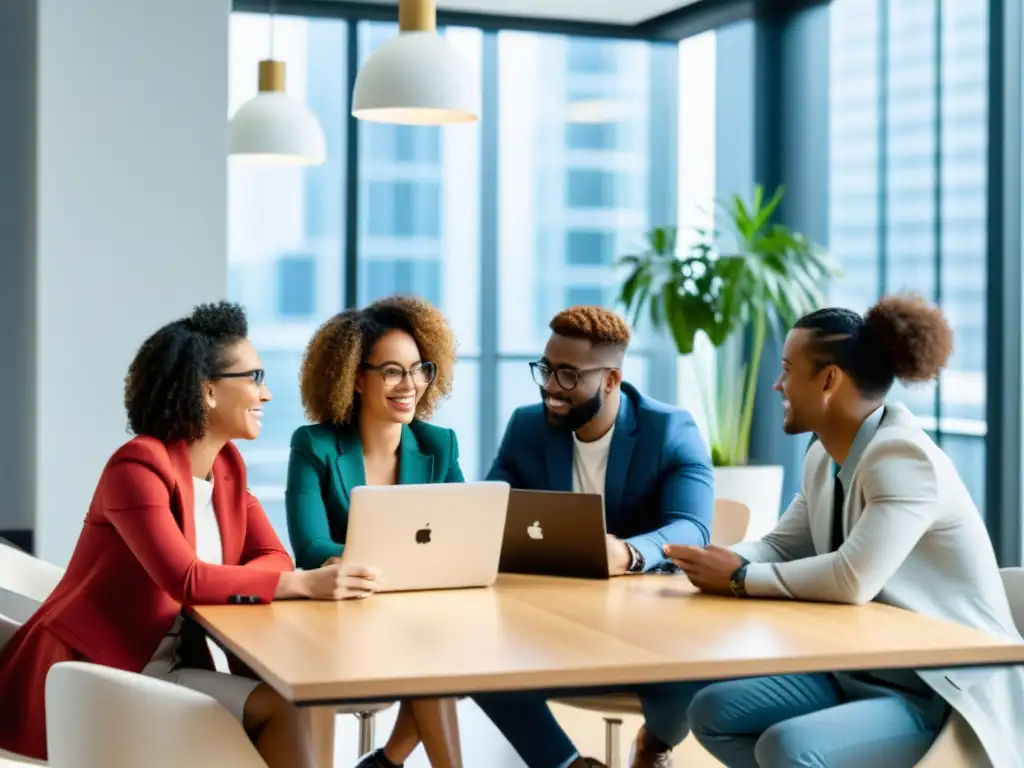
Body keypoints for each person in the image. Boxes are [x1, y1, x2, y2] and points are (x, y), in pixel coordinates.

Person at [0, 302, 380, 767]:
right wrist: (300, 583)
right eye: (254, 378)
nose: (266, 395)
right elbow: (185, 580)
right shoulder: (136, 465)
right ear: (208, 392)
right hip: (101, 678)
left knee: (286, 705)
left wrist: (253, 577)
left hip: (167, 667)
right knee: (281, 707)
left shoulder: (226, 467)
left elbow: (272, 555)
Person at [668, 294, 1024, 768]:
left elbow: (853, 578)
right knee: (712, 711)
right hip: (859, 669)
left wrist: (737, 578)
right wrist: (705, 559)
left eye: (788, 370)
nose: (778, 385)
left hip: (934, 690)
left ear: (829, 380)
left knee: (790, 748)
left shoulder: (903, 458)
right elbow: (778, 546)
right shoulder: (822, 458)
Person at [475, 306, 716, 768]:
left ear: (610, 380)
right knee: (474, 658)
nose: (550, 386)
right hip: (552, 625)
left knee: (696, 672)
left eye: (567, 375)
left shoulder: (668, 429)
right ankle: (566, 763)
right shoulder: (527, 426)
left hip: (647, 633)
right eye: (545, 369)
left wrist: (628, 552)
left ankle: (654, 744)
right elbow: (489, 509)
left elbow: (693, 528)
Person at [285, 295, 465, 768]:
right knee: (438, 665)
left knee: (443, 657)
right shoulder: (314, 446)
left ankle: (386, 762)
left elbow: (465, 529)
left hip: (418, 616)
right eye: (391, 371)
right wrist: (374, 566)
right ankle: (387, 763)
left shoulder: (438, 445)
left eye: (419, 368)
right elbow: (310, 545)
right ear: (355, 378)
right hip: (340, 620)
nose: (410, 385)